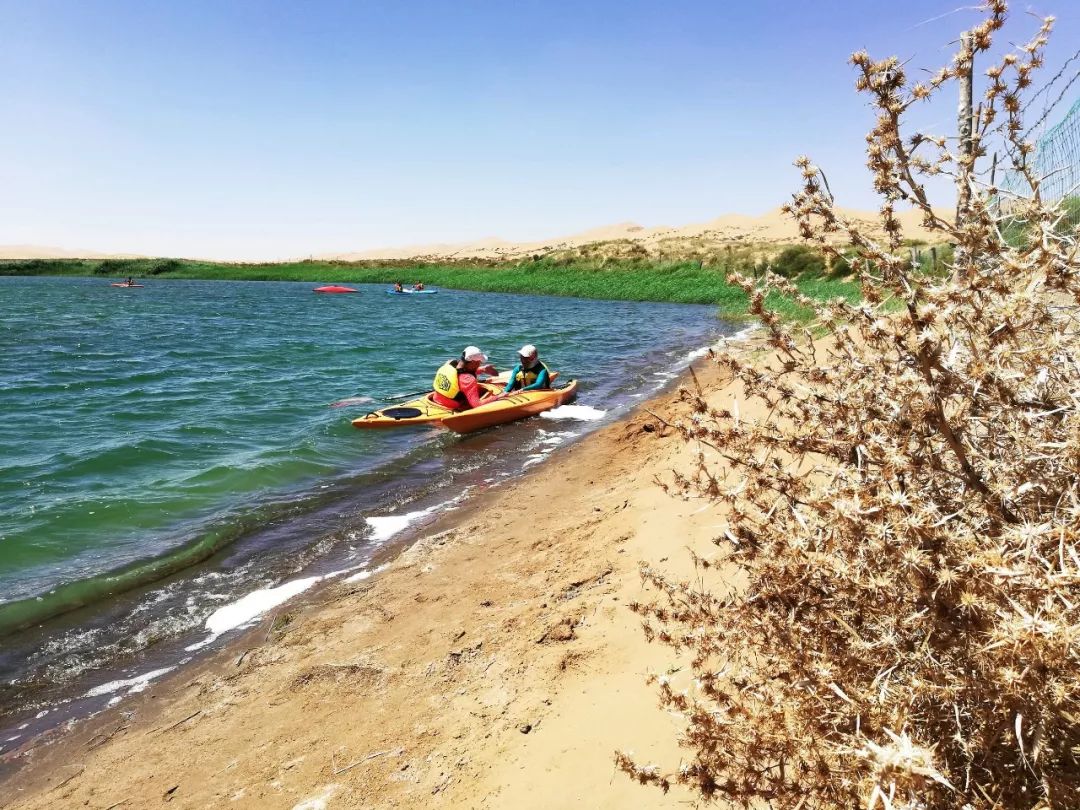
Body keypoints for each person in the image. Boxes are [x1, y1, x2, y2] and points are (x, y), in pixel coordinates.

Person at [432, 346, 499, 410]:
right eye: (479, 362)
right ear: (473, 362)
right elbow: (477, 405)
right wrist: (498, 397)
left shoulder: (450, 363)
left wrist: (482, 369)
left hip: (435, 399)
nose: (480, 363)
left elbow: (459, 373)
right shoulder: (469, 380)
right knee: (485, 393)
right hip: (450, 407)